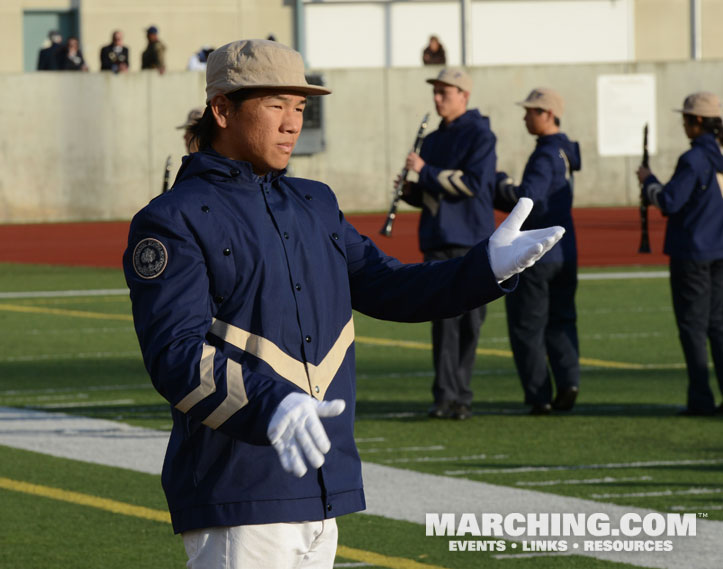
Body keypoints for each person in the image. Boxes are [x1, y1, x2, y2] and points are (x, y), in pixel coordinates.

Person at [123, 39, 564, 568]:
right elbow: (175, 354)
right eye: (275, 105)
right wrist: (273, 405)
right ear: (222, 109)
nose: (292, 123)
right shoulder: (173, 218)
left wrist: (484, 269)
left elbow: (389, 286)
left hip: (325, 487)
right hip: (239, 487)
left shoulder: (316, 202)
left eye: (301, 108)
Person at [399, 67, 498, 420]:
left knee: (470, 322)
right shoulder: (435, 137)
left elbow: (471, 184)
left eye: (445, 92)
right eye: (436, 92)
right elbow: (435, 196)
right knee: (443, 322)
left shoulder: (481, 135)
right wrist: (411, 191)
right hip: (438, 240)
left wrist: (424, 171)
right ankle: (444, 395)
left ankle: (462, 396)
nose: (437, 98)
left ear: (463, 95)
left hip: (472, 239)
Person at [494, 88, 582, 415]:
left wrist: (499, 185)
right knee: (561, 320)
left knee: (527, 326)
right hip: (566, 249)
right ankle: (569, 380)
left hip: (539, 251)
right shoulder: (565, 152)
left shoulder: (546, 154)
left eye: (531, 111)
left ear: (547, 114)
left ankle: (539, 394)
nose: (525, 116)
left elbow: (528, 200)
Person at [636, 91, 723, 416]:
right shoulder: (717, 153)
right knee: (718, 326)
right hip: (718, 248)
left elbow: (670, 201)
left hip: (693, 251)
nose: (683, 125)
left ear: (696, 121)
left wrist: (649, 182)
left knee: (693, 327)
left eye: (685, 119)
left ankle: (700, 398)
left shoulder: (695, 159)